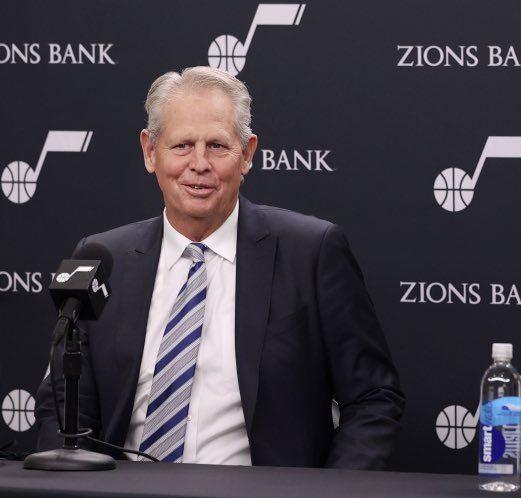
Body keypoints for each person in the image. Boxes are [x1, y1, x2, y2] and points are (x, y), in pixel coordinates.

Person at [34, 66, 404, 469]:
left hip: (264, 496)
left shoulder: (312, 253)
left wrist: (327, 495)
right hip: (122, 490)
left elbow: (372, 398)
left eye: (216, 145)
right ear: (150, 151)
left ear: (247, 154)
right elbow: (65, 405)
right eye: (182, 146)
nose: (199, 163)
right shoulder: (103, 258)